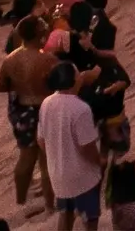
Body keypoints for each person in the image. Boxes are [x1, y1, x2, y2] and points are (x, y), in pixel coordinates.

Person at [38, 61, 104, 231]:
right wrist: (100, 162)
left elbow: (41, 139)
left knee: (65, 213)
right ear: (73, 80)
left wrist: (57, 155)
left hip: (58, 174)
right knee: (90, 218)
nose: (81, 75)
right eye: (77, 73)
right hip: (82, 175)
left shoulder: (46, 103)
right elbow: (86, 148)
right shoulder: (81, 108)